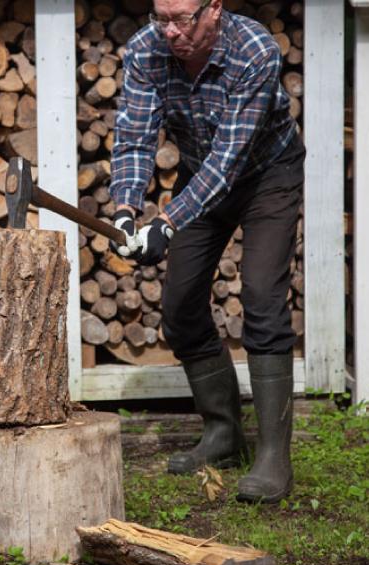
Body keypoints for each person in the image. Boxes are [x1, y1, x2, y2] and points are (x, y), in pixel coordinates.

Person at [109, 0, 305, 503]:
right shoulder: (144, 50)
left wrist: (167, 223)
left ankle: (272, 459)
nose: (170, 31)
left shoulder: (255, 49)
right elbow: (134, 138)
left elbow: (229, 160)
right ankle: (224, 434)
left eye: (182, 19)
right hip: (202, 173)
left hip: (266, 175)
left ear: (214, 8)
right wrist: (127, 211)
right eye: (161, 18)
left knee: (261, 296)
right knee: (178, 307)